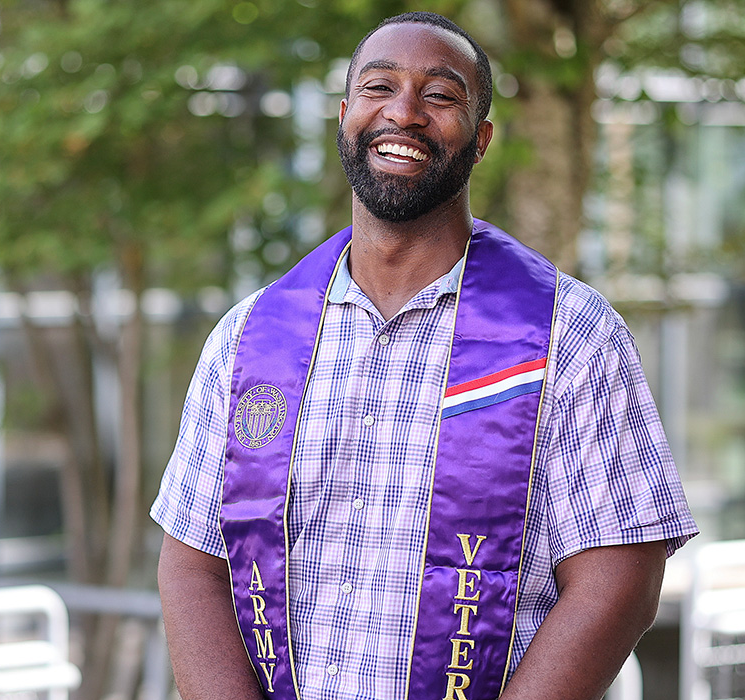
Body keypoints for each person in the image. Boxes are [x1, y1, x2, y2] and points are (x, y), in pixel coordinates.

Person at [150, 10, 699, 700]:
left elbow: (620, 578)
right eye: (379, 88)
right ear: (345, 116)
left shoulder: (569, 335)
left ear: (481, 141)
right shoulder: (248, 339)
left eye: (440, 96)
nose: (403, 113)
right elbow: (194, 562)